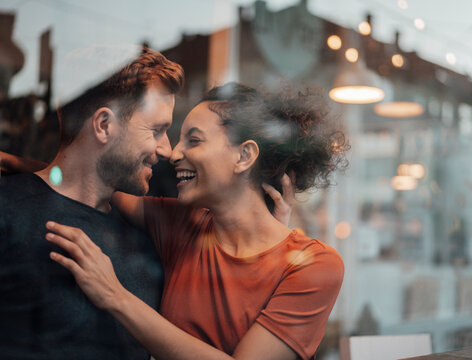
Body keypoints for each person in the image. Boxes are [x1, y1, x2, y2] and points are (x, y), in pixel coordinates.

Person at [44, 82, 348, 360]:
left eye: (194, 140)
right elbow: (87, 182)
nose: (174, 154)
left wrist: (115, 296)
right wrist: (30, 170)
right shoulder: (183, 223)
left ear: (244, 156)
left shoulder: (314, 265)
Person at [0, 46, 186, 359]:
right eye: (157, 130)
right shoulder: (7, 210)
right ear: (103, 125)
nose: (166, 149)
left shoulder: (147, 242)